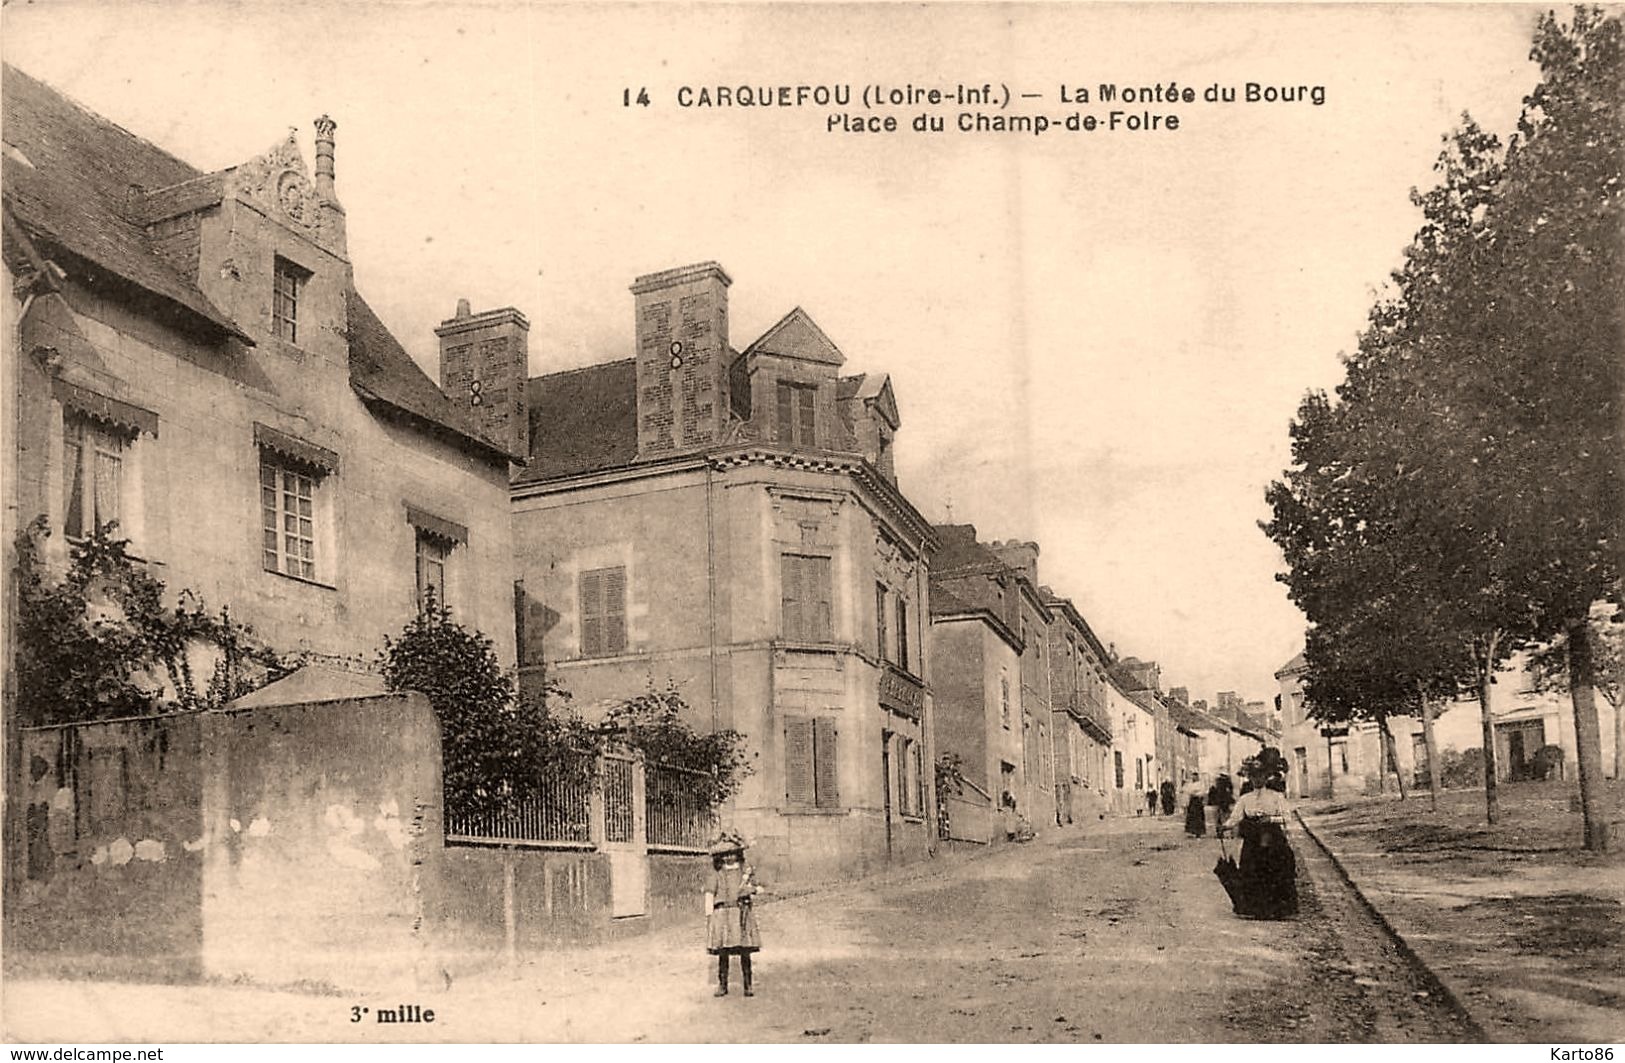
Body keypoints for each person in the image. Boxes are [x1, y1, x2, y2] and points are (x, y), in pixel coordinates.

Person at [1218, 749, 1298, 919]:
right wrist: (1225, 827)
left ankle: (1277, 909)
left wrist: (1271, 819)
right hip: (1253, 839)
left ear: (1266, 777)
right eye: (1254, 777)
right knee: (1253, 871)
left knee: (1275, 871)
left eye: (1260, 776)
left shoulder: (1276, 797)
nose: (1257, 780)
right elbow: (1236, 817)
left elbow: (1287, 818)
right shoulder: (1245, 799)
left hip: (1273, 837)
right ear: (1250, 778)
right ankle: (1256, 908)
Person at [705, 832, 763, 996]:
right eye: (725, 855)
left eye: (732, 853)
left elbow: (756, 888)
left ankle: (748, 985)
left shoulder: (744, 873)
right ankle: (722, 985)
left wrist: (752, 890)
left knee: (745, 950)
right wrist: (709, 916)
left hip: (741, 914)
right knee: (723, 952)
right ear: (720, 857)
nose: (729, 857)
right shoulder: (717, 874)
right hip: (723, 915)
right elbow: (709, 894)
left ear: (738, 854)